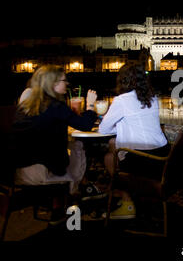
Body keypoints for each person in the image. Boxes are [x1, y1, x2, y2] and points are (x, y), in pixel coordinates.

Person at [12, 65, 98, 196]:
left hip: (18, 170)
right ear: (53, 83)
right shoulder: (55, 106)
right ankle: (75, 191)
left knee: (66, 147)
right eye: (64, 80)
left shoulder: (24, 105)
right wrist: (90, 105)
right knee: (79, 145)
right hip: (42, 172)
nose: (67, 83)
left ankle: (61, 201)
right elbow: (85, 125)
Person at [99, 62, 168, 219]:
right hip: (162, 159)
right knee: (112, 144)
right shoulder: (152, 98)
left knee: (109, 158)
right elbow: (139, 123)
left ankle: (127, 201)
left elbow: (103, 129)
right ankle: (117, 191)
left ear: (123, 80)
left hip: (144, 162)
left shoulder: (122, 100)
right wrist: (123, 126)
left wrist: (118, 126)